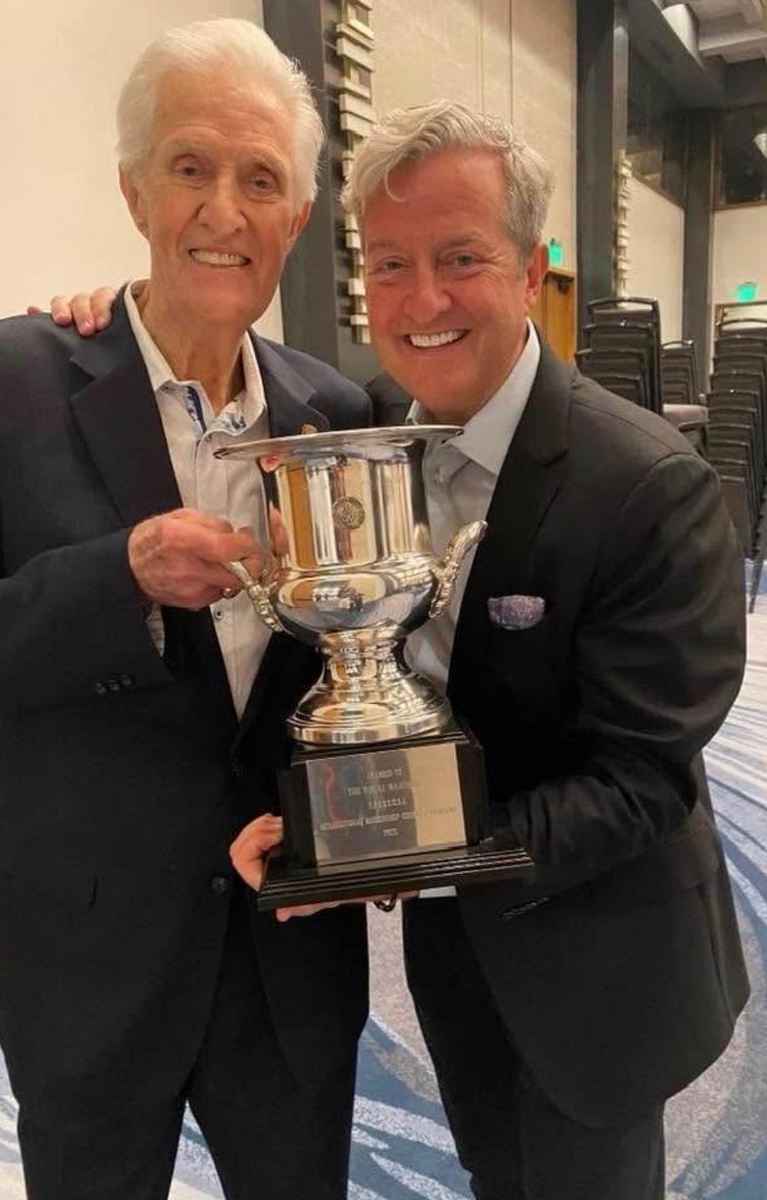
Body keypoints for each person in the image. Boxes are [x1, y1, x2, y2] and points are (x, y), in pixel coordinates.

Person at [42, 102, 750, 1200]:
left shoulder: (648, 489)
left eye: (461, 258)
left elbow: (641, 782)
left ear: (530, 271)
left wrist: (392, 850)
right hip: (460, 967)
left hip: (598, 972)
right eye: (389, 264)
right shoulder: (363, 428)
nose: (421, 301)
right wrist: (115, 317)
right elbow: (202, 361)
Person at [0, 19, 372, 1200]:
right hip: (90, 952)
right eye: (191, 167)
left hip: (287, 953)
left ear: (296, 220)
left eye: (260, 179)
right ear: (134, 191)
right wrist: (112, 575)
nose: (224, 209)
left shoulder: (334, 414)